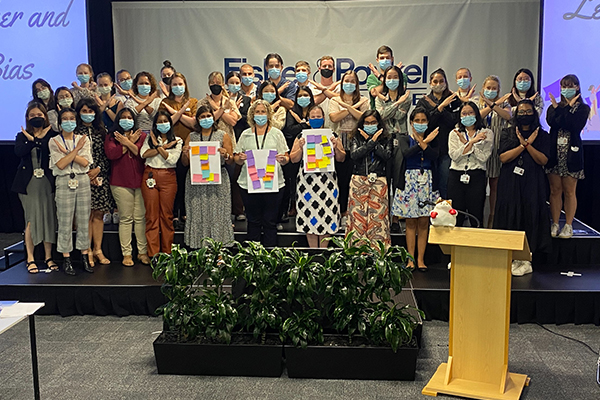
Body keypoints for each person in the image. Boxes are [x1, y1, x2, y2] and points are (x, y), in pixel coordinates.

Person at [494, 99, 551, 276]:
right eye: (521, 112)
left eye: (528, 112)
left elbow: (543, 160)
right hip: (510, 180)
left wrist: (528, 145)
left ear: (534, 114)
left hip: (533, 180)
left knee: (531, 213)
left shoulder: (542, 135)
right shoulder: (507, 133)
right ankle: (511, 256)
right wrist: (521, 145)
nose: (525, 115)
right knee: (510, 214)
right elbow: (503, 158)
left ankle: (527, 258)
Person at [233, 100, 290, 247]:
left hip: (273, 183)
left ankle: (271, 258)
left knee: (270, 222)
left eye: (263, 112)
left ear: (269, 114)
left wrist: (283, 159)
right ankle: (253, 258)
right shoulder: (245, 135)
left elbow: (286, 157)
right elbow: (236, 159)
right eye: (257, 112)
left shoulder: (277, 134)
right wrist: (239, 158)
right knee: (253, 221)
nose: (260, 115)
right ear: (252, 114)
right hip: (249, 183)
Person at [391, 107, 440, 271]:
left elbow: (435, 156)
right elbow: (406, 153)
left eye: (423, 120)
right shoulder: (404, 138)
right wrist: (424, 143)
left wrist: (426, 143)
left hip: (427, 181)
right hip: (409, 181)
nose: (420, 123)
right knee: (410, 222)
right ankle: (410, 259)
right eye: (417, 120)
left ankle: (421, 259)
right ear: (411, 123)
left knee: (424, 221)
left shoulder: (434, 138)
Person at [289, 105, 345, 247]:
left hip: (328, 182)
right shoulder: (302, 136)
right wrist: (300, 148)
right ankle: (314, 253)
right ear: (308, 119)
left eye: (318, 117)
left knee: (326, 214)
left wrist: (335, 146)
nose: (316, 119)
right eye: (312, 117)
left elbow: (341, 158)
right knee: (310, 215)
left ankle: (323, 253)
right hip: (307, 183)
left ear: (323, 118)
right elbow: (293, 159)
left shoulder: (332, 135)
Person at [12, 102, 58, 273]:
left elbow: (50, 151)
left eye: (39, 115)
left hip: (47, 183)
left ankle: (48, 257)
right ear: (28, 118)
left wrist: (39, 140)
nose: (36, 118)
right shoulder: (22, 135)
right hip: (28, 184)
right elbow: (19, 152)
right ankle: (30, 258)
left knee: (48, 218)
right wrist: (33, 140)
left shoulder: (53, 135)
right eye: (32, 116)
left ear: (45, 116)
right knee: (31, 219)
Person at [180, 105, 235, 248]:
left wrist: (225, 154)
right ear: (197, 120)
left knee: (218, 213)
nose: (206, 119)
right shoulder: (192, 136)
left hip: (218, 180)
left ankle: (219, 247)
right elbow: (185, 163)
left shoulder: (223, 135)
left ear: (213, 117)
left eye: (208, 116)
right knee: (198, 212)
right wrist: (185, 154)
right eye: (202, 117)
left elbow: (231, 160)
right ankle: (198, 246)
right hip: (196, 181)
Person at [49, 108, 94, 275]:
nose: (69, 121)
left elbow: (84, 162)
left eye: (72, 118)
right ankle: (66, 258)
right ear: (60, 123)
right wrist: (75, 151)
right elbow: (60, 165)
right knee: (65, 220)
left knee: (83, 218)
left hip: (82, 180)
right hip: (64, 180)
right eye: (65, 119)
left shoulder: (84, 139)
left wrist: (67, 153)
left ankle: (84, 255)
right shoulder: (54, 141)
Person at [546, 74, 590, 239]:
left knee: (569, 191)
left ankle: (569, 225)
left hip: (572, 154)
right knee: (554, 190)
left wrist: (563, 111)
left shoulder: (583, 108)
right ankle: (555, 222)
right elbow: (553, 122)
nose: (566, 89)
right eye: (563, 86)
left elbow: (573, 125)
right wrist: (562, 108)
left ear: (577, 87)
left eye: (570, 86)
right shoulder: (553, 107)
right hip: (554, 153)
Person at [105, 108, 149, 266]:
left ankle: (142, 252)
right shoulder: (112, 136)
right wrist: (126, 143)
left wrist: (128, 142)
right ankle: (127, 254)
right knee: (126, 218)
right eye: (123, 117)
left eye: (129, 117)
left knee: (140, 218)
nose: (126, 120)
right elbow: (112, 154)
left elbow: (142, 154)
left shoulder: (142, 136)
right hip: (120, 182)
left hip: (140, 181)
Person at [74, 99, 115, 267]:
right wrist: (86, 173)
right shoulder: (75, 131)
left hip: (100, 177)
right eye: (84, 110)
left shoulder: (101, 130)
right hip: (81, 177)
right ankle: (87, 250)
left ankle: (98, 249)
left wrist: (98, 169)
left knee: (99, 215)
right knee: (86, 216)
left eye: (91, 111)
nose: (88, 114)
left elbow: (107, 155)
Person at [329, 70, 369, 225]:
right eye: (347, 80)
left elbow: (363, 119)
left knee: (355, 179)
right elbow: (334, 117)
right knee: (340, 178)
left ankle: (352, 212)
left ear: (357, 84)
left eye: (353, 81)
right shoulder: (335, 100)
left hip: (357, 142)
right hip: (339, 143)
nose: (349, 84)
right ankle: (339, 210)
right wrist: (353, 108)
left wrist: (348, 108)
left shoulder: (364, 100)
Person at [347, 110, 393, 245]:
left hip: (379, 180)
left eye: (373, 122)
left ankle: (378, 254)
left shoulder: (387, 138)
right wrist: (370, 142)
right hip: (359, 180)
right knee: (358, 220)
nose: (370, 125)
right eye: (367, 123)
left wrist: (371, 141)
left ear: (379, 124)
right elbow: (355, 155)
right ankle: (357, 254)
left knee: (378, 219)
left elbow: (386, 155)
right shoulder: (355, 137)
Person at [159, 72, 199, 229]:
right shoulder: (164, 102)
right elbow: (168, 123)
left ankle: (186, 212)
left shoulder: (193, 102)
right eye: (174, 84)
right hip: (170, 147)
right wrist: (181, 111)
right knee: (174, 183)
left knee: (188, 181)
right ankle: (174, 214)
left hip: (189, 147)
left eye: (180, 84)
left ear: (185, 85)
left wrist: (175, 112)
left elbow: (194, 124)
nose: (177, 87)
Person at [140, 111, 182, 256]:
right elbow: (143, 154)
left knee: (166, 216)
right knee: (151, 216)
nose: (163, 124)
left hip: (168, 178)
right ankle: (153, 253)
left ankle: (167, 252)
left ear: (170, 123)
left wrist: (157, 147)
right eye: (160, 121)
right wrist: (162, 147)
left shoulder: (177, 140)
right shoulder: (149, 139)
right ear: (155, 124)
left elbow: (171, 160)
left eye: (165, 121)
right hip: (150, 175)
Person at [376, 65, 411, 233]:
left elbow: (398, 116)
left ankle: (396, 219)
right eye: (388, 77)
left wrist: (391, 106)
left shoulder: (408, 97)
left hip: (400, 139)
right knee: (384, 179)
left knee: (398, 180)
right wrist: (397, 103)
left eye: (395, 77)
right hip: (384, 140)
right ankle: (383, 216)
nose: (391, 80)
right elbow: (380, 116)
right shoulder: (379, 97)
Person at [416, 68, 462, 199]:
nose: (438, 84)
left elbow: (453, 121)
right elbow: (425, 124)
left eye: (441, 81)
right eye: (435, 81)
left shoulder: (454, 100)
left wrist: (441, 108)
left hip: (447, 148)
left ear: (446, 82)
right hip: (429, 147)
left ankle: (446, 212)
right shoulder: (423, 101)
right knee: (429, 181)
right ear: (430, 83)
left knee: (445, 181)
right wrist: (440, 107)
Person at [447, 101, 494, 227]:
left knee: (476, 213)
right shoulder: (455, 133)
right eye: (464, 113)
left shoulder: (486, 133)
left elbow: (483, 158)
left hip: (477, 175)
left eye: (470, 113)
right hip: (456, 175)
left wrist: (468, 144)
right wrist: (472, 142)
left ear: (476, 114)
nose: (467, 116)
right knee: (456, 215)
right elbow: (454, 156)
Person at [477, 75, 512, 227]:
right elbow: (477, 117)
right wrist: (490, 105)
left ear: (498, 90)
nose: (491, 90)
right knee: (480, 184)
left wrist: (494, 104)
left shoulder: (505, 104)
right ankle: (479, 214)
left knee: (495, 184)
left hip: (498, 148)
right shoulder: (476, 103)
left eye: (494, 88)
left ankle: (493, 214)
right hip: (480, 149)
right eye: (488, 88)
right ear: (483, 89)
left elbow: (507, 116)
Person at [281, 86, 315, 222]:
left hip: (313, 151)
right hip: (294, 150)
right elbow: (289, 130)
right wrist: (304, 125)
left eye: (306, 95)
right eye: (300, 96)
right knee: (292, 179)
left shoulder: (315, 111)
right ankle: (293, 205)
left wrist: (301, 125)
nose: (303, 98)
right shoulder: (292, 112)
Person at [226, 70, 252, 221]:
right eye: (232, 83)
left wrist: (235, 110)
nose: (235, 85)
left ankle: (240, 210)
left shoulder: (247, 100)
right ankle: (228, 211)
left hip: (241, 139)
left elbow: (245, 120)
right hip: (227, 139)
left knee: (239, 177)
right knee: (228, 176)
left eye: (237, 82)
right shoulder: (222, 100)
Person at [307, 55, 340, 129]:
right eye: (324, 66)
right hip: (317, 130)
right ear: (319, 69)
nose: (327, 68)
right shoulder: (313, 89)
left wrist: (325, 90)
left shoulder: (339, 88)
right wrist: (329, 89)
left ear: (334, 69)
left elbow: (341, 100)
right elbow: (314, 101)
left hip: (336, 129)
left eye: (330, 66)